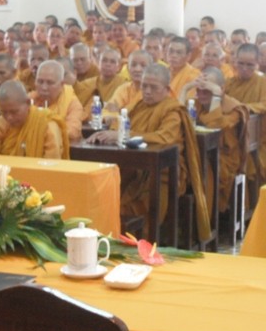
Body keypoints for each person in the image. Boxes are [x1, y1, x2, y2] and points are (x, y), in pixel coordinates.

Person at [87, 64, 210, 240]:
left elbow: (165, 138)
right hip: (135, 168)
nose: (147, 91)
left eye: (153, 87)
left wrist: (123, 135)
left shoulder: (173, 110)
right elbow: (120, 124)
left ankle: (145, 240)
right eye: (144, 86)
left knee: (144, 200)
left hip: (165, 173)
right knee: (106, 190)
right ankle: (107, 234)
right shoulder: (139, 105)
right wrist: (106, 135)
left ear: (167, 89)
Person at [180, 68, 249, 212]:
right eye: (199, 90)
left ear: (221, 89)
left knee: (203, 168)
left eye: (207, 90)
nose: (201, 94)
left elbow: (214, 126)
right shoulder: (195, 103)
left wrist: (217, 96)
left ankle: (206, 217)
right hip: (198, 153)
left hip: (223, 159)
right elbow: (178, 119)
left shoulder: (234, 109)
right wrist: (185, 89)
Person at [225, 43, 266, 182]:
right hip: (230, 136)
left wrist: (242, 108)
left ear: (257, 63)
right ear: (235, 61)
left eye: (250, 65)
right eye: (240, 63)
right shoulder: (229, 83)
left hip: (256, 139)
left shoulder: (265, 83)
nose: (244, 68)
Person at [0, 80, 69, 158]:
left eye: (14, 112)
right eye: (4, 112)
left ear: (28, 103)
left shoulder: (46, 125)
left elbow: (52, 161)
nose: (9, 117)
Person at [28, 60, 83, 142]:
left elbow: (72, 132)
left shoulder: (72, 103)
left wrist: (42, 133)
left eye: (50, 83)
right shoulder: (30, 99)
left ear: (62, 84)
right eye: (40, 82)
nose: (44, 87)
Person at [74, 47, 127, 121]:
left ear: (118, 67)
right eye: (104, 60)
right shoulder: (87, 84)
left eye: (112, 62)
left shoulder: (124, 84)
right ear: (98, 63)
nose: (108, 64)